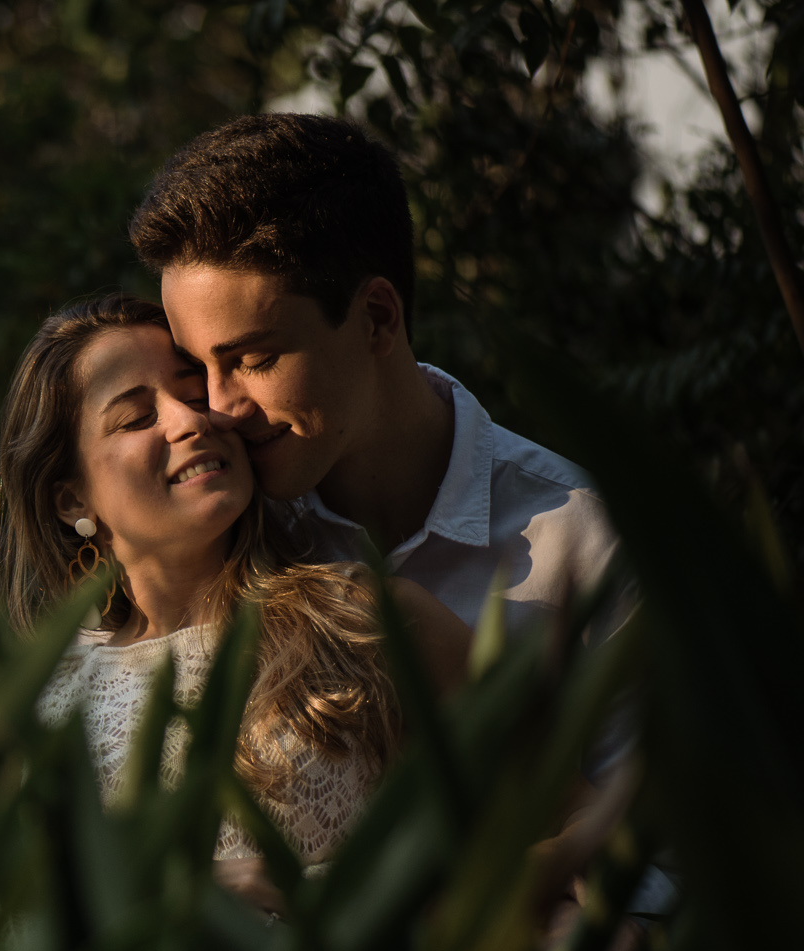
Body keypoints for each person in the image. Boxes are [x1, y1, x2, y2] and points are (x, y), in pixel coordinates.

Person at [0, 292, 469, 873]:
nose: (191, 420)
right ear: (72, 500)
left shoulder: (364, 621)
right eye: (138, 417)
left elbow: (565, 821)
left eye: (194, 395)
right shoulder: (45, 704)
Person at [127, 113, 617, 637]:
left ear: (378, 318)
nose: (220, 408)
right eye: (198, 368)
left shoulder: (591, 548)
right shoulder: (220, 534)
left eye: (252, 360)